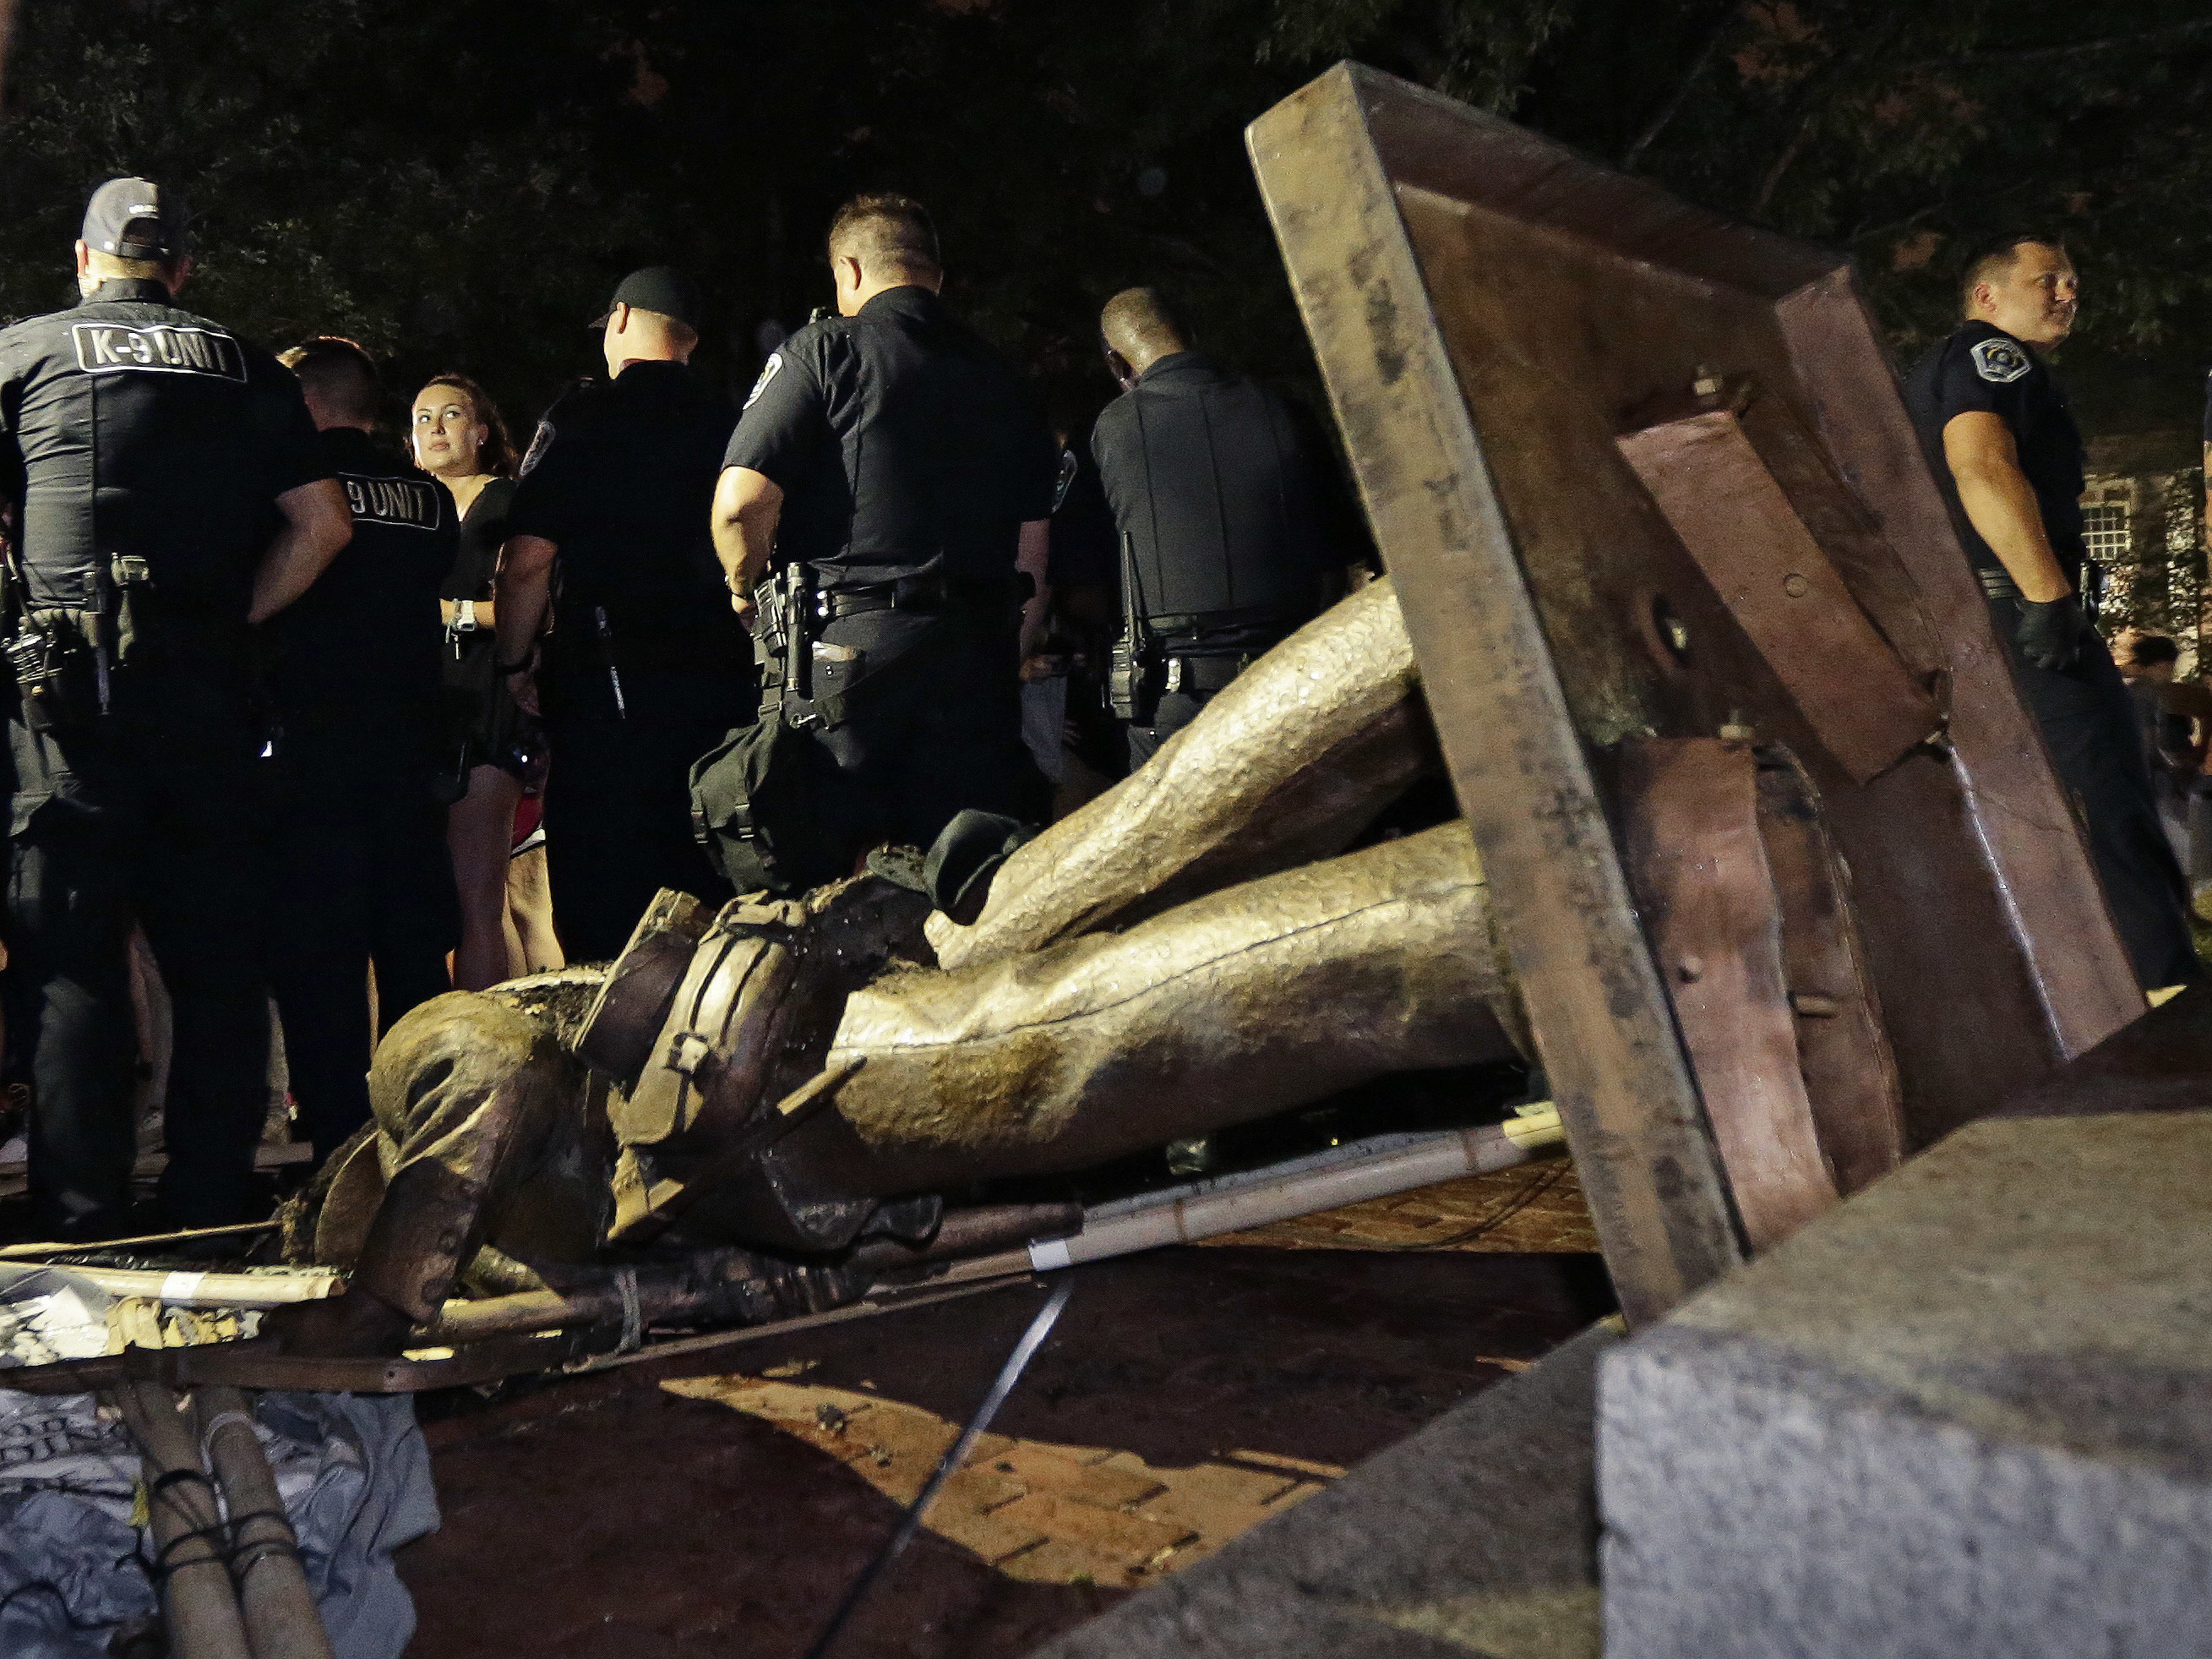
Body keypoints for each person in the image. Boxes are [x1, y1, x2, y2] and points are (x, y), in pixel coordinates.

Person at [0, 179, 352, 1236]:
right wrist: (232, 620)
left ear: (83, 259)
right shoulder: (245, 363)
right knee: (215, 963)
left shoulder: (24, 351)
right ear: (183, 270)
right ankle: (208, 1203)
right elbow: (324, 526)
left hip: (63, 698)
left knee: (74, 963)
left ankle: (83, 1213)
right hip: (203, 692)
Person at [702, 195, 1058, 895]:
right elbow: (1033, 548)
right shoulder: (1007, 378)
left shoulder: (826, 348)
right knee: (970, 880)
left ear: (851, 269)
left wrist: (744, 589)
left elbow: (740, 502)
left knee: (815, 876)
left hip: (850, 656)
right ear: (937, 275)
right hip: (977, 654)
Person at [1904, 232, 2196, 990]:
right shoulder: (1991, 357)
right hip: (2023, 618)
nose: (2069, 294)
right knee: (2104, 792)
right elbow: (1983, 465)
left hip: (1973, 622)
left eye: (2073, 282)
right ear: (1987, 296)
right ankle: (2164, 996)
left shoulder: (1939, 365)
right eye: (2049, 281)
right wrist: (2048, 599)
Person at [493, 268, 751, 963]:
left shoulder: (585, 416)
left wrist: (515, 662)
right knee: (706, 890)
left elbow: (526, 562)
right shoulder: (739, 420)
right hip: (722, 690)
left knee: (605, 909)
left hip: (609, 692)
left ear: (621, 318)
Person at [267, 338, 459, 1165]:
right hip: (411, 751)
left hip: (314, 752)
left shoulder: (289, 487)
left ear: (305, 403)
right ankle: (429, 1130)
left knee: (323, 954)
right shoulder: (426, 495)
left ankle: (340, 1146)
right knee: (414, 947)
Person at [1091, 286, 1354, 764]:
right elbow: (1341, 556)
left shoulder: (1115, 428)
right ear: (1191, 335)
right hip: (1296, 680)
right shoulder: (1284, 409)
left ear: (1117, 364)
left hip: (1179, 696)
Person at [411, 374, 559, 990]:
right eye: (422, 418)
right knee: (422, 905)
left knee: (480, 898)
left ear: (480, 432)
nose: (436, 428)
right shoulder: (404, 503)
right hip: (413, 706)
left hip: (485, 701)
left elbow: (535, 603)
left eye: (451, 415)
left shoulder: (507, 500)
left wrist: (454, 614)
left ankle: (489, 1054)